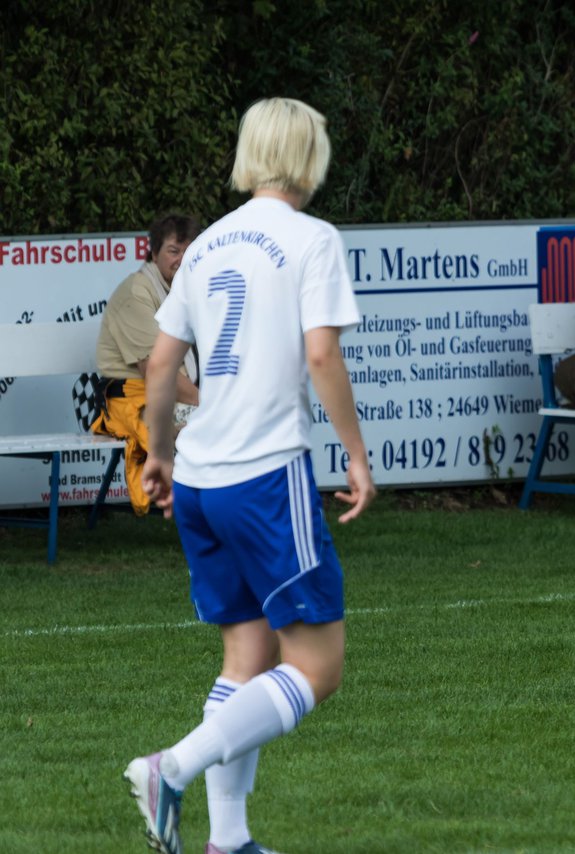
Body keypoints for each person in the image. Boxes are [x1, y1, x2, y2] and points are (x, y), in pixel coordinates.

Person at [123, 97, 376, 854]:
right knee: (318, 668)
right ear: (309, 155)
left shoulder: (203, 248)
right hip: (265, 476)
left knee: (248, 655)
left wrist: (161, 453)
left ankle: (226, 841)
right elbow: (323, 356)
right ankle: (171, 768)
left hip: (201, 476)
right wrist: (357, 457)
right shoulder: (311, 239)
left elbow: (163, 364)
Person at [92, 213, 202, 515]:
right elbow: (157, 372)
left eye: (189, 251)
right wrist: (208, 404)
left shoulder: (183, 291)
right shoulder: (136, 293)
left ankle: (225, 513)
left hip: (167, 394)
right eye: (173, 250)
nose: (182, 259)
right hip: (130, 399)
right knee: (212, 425)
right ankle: (209, 514)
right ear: (153, 253)